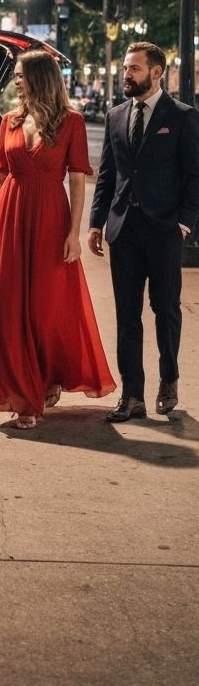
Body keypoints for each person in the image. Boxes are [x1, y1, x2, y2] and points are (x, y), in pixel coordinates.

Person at [0, 50, 115, 429]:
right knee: (10, 308)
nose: (17, 81)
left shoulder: (72, 121)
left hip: (51, 218)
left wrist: (74, 233)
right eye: (16, 76)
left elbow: (78, 180)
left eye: (21, 75)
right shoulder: (9, 121)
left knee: (45, 308)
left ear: (40, 77)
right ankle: (25, 399)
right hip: (11, 218)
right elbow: (0, 178)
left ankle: (50, 374)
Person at [87, 41, 199, 421]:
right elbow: (108, 175)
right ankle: (132, 395)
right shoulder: (116, 115)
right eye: (125, 68)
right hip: (124, 230)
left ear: (156, 72)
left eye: (134, 69)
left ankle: (169, 379)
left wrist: (184, 221)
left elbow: (194, 176)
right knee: (127, 314)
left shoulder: (182, 116)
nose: (126, 75)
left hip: (165, 229)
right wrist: (96, 223)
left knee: (165, 309)